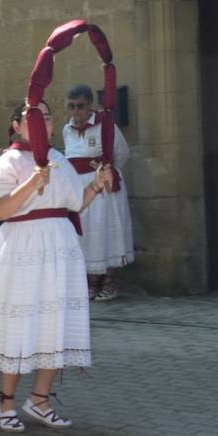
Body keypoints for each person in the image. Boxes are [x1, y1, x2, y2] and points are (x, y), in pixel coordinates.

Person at [0, 102, 115, 432]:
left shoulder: (61, 160)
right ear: (16, 125)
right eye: (34, 117)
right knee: (19, 321)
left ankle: (39, 399)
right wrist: (31, 183)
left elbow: (73, 203)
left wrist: (95, 185)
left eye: (48, 116)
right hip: (23, 245)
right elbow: (0, 211)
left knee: (55, 321)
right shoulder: (8, 161)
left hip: (60, 246)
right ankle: (6, 401)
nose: (44, 122)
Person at [63, 85, 134, 301]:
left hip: (104, 187)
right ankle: (92, 281)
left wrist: (105, 173)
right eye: (72, 107)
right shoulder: (67, 130)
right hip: (82, 190)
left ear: (90, 105)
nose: (76, 112)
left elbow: (122, 153)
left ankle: (110, 282)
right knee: (87, 234)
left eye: (81, 106)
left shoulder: (106, 124)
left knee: (107, 231)